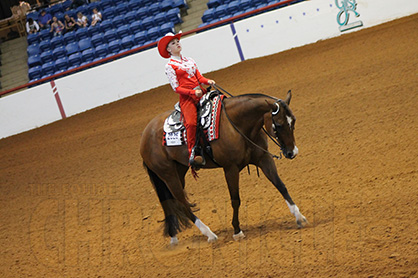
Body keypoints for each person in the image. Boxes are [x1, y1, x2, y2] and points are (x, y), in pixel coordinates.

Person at [158, 32, 216, 166]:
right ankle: (193, 152)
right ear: (168, 50)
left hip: (200, 92)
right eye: (173, 43)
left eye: (177, 41)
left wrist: (208, 81)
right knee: (191, 123)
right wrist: (192, 92)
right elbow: (176, 88)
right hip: (188, 99)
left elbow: (199, 78)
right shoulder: (170, 66)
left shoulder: (190, 60)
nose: (177, 43)